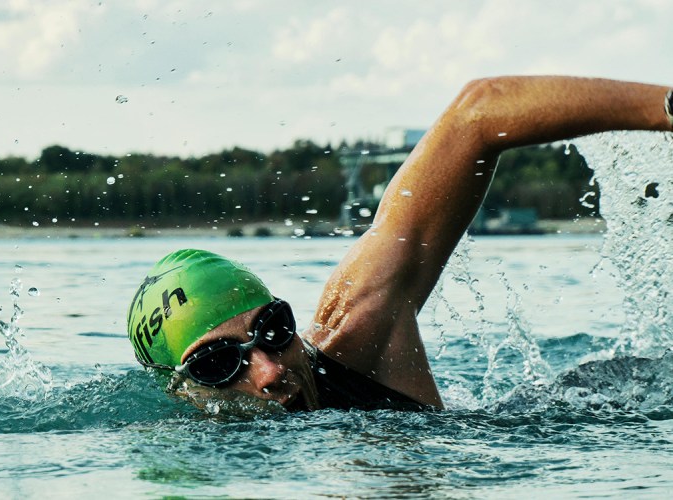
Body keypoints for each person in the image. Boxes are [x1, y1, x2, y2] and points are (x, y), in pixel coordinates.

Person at [128, 76, 673, 412]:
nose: (269, 371)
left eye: (272, 331)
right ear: (180, 391)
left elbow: (479, 112)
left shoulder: (357, 337)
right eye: (218, 365)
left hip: (617, 395)